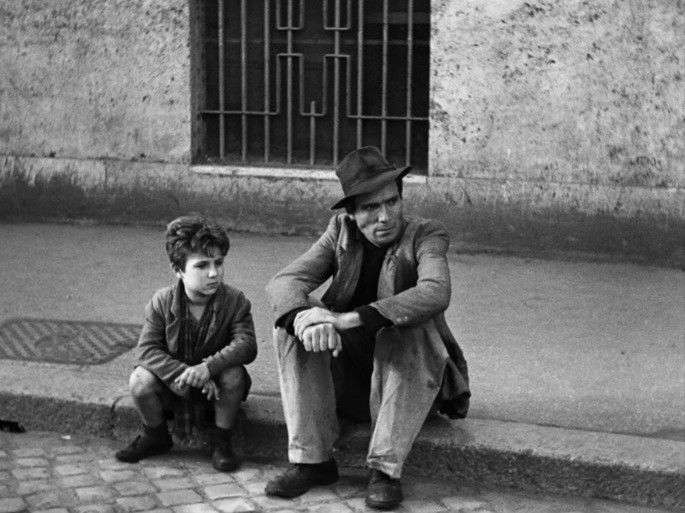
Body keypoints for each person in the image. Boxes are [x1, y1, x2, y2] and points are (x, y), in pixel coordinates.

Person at [264, 146, 470, 510]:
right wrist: (305, 319)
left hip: (412, 384)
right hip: (354, 382)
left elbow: (435, 292)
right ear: (352, 213)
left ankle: (385, 471)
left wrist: (351, 318)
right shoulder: (339, 234)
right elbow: (285, 281)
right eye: (371, 208)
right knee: (295, 324)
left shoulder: (426, 234)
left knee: (408, 325)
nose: (385, 216)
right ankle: (313, 462)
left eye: (391, 202)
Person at [115, 214, 257, 472]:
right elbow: (146, 350)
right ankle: (155, 435)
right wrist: (189, 374)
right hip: (175, 386)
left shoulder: (235, 300)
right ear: (178, 270)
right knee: (139, 380)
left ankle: (221, 441)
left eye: (219, 263)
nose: (214, 273)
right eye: (201, 265)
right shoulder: (162, 301)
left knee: (234, 374)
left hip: (217, 390)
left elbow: (247, 344)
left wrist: (207, 368)